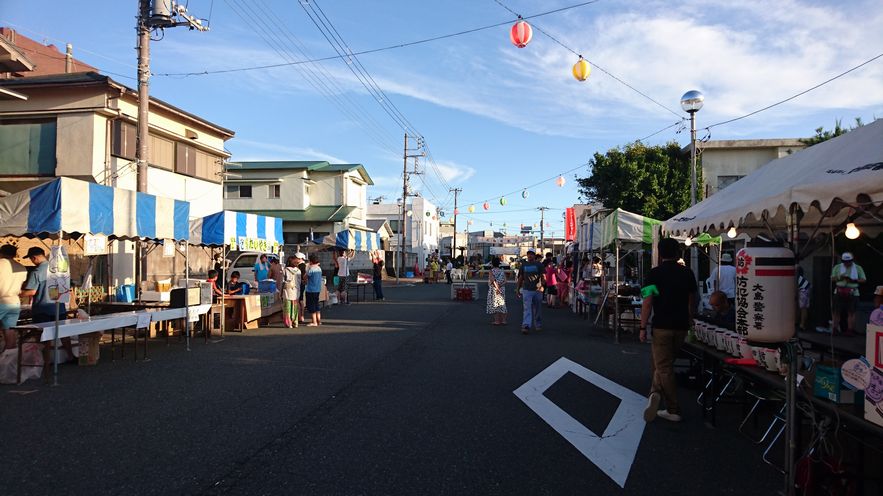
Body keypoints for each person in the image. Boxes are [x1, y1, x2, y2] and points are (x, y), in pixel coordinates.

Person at [640, 237, 698, 423]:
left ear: (660, 253)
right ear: (678, 252)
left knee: (663, 366)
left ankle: (673, 408)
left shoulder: (654, 274)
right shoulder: (687, 273)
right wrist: (691, 321)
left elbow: (647, 302)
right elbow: (692, 301)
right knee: (665, 363)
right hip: (681, 326)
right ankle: (655, 393)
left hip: (661, 325)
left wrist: (642, 326)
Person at [21, 247, 75, 359]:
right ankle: (70, 355)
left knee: (43, 335)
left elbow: (32, 291)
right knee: (64, 333)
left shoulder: (37, 271)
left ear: (34, 258)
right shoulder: (57, 269)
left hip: (42, 309)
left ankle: (44, 360)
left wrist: (18, 293)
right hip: (58, 307)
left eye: (31, 259)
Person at [831, 252, 866, 336]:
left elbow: (863, 279)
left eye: (849, 261)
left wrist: (854, 280)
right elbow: (832, 278)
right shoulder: (837, 267)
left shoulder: (858, 268)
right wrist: (840, 277)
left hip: (853, 291)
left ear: (852, 260)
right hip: (839, 290)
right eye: (845, 262)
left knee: (851, 312)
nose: (847, 263)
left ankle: (850, 330)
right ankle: (835, 329)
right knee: (836, 311)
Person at [1, 244, 28, 351]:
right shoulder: (22, 267)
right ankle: (8, 356)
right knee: (10, 330)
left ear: (1, 253)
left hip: (1, 300)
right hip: (14, 302)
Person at [516, 249, 545, 334]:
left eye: (531, 254)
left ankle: (538, 324)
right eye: (528, 254)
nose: (530, 256)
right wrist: (517, 289)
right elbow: (520, 278)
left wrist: (542, 285)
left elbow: (544, 276)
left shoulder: (539, 265)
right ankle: (526, 325)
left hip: (537, 290)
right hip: (526, 289)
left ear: (534, 255)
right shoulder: (523, 265)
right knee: (527, 308)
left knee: (538, 309)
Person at [281, 256, 301, 328]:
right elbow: (299, 282)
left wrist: (280, 292)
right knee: (295, 307)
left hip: (287, 291)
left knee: (287, 307)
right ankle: (295, 322)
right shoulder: (298, 271)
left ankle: (288, 323)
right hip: (296, 291)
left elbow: (282, 282)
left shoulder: (285, 270)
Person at [486, 257, 508, 325]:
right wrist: (500, 286)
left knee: (494, 304)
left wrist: (497, 288)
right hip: (502, 289)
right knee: (502, 304)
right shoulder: (502, 270)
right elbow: (506, 281)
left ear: (492, 263)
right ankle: (504, 320)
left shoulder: (491, 271)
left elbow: (493, 280)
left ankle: (497, 321)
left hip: (494, 289)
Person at [304, 253, 323, 327]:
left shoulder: (311, 269)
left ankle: (314, 322)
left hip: (311, 290)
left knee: (311, 306)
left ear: (311, 261)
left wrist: (307, 267)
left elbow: (305, 277)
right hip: (317, 289)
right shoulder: (319, 268)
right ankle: (319, 321)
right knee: (316, 305)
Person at [797, 267, 811, 332]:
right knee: (804, 308)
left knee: (803, 308)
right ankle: (802, 324)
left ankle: (801, 325)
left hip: (803, 290)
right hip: (806, 288)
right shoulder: (801, 278)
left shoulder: (796, 278)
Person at [295, 253, 308, 324]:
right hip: (302, 284)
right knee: (301, 300)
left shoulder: (301, 266)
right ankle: (301, 316)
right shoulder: (304, 265)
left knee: (299, 300)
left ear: (299, 258)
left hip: (299, 285)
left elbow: (303, 276)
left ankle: (300, 316)